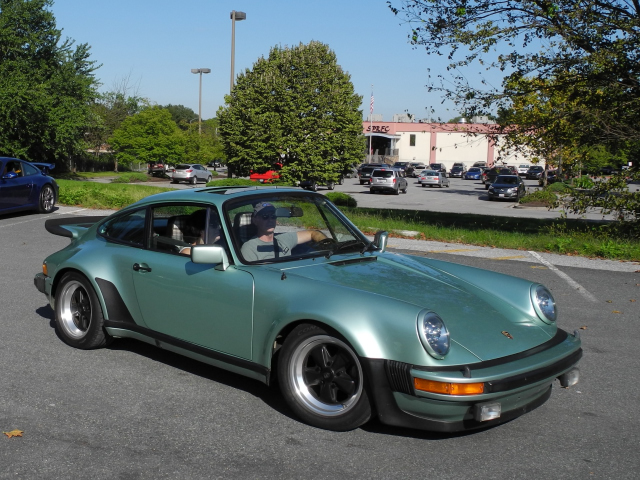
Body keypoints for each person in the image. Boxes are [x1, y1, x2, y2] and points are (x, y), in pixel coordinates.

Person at [240, 202, 327, 261]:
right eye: (265, 216)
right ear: (255, 220)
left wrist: (327, 244)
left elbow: (313, 233)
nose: (270, 220)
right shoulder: (249, 248)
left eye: (273, 216)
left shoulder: (284, 238)